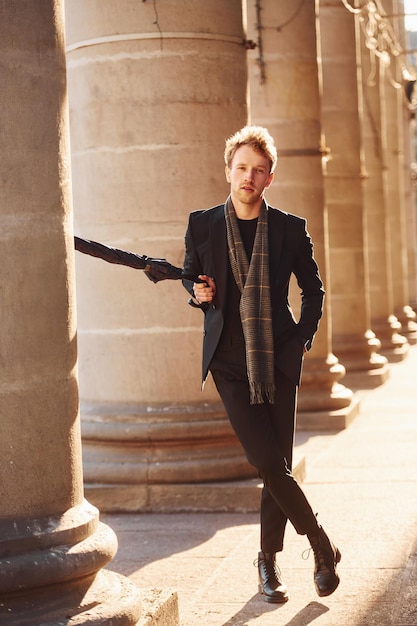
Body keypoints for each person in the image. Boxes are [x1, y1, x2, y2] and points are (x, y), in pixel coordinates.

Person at [182, 125, 341, 603]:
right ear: (228, 170)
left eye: (258, 170)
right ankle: (320, 544)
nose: (248, 177)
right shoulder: (203, 224)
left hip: (277, 358)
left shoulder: (290, 229)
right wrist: (198, 293)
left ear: (270, 178)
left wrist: (299, 341)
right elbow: (193, 277)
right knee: (268, 461)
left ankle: (267, 563)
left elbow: (314, 291)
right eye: (241, 168)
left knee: (278, 466)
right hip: (229, 362)